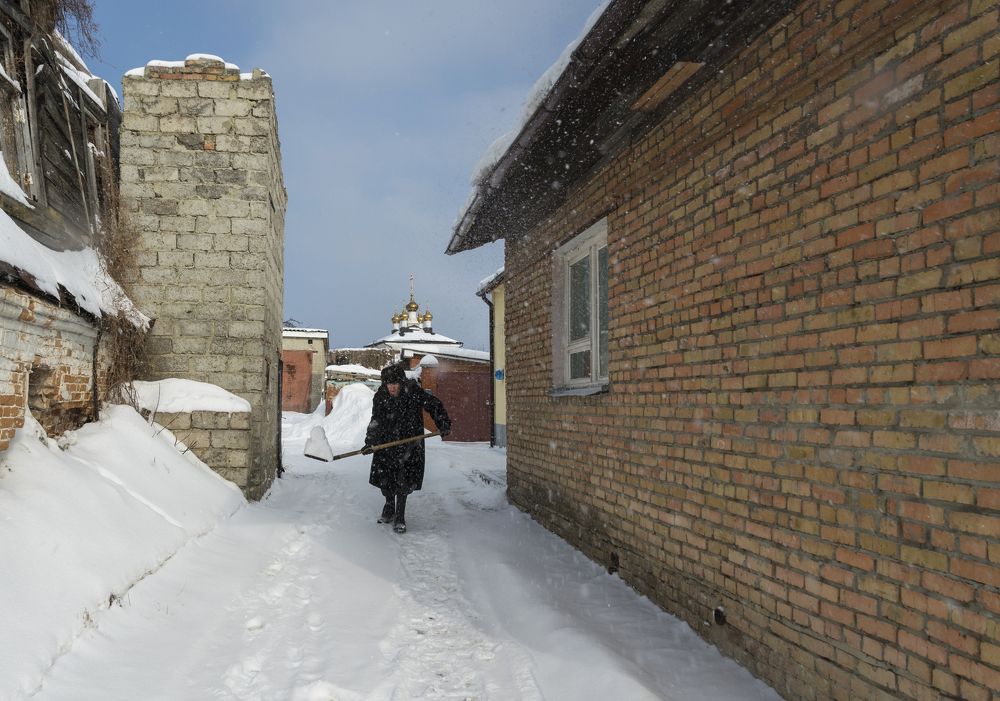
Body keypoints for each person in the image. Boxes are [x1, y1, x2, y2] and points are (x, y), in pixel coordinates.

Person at [362, 362, 450, 533]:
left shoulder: (413, 392)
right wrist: (370, 442)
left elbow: (433, 404)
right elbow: (376, 420)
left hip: (409, 443)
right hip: (386, 443)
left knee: (403, 479)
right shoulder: (380, 396)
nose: (392, 388)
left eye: (395, 384)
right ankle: (389, 506)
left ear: (401, 383)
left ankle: (400, 515)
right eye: (389, 384)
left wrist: (443, 422)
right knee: (385, 478)